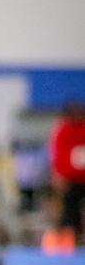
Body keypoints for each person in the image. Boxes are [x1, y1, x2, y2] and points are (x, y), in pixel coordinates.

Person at [49, 99, 85, 244]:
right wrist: (57, 175)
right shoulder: (63, 130)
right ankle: (70, 243)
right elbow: (56, 154)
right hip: (70, 180)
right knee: (70, 213)